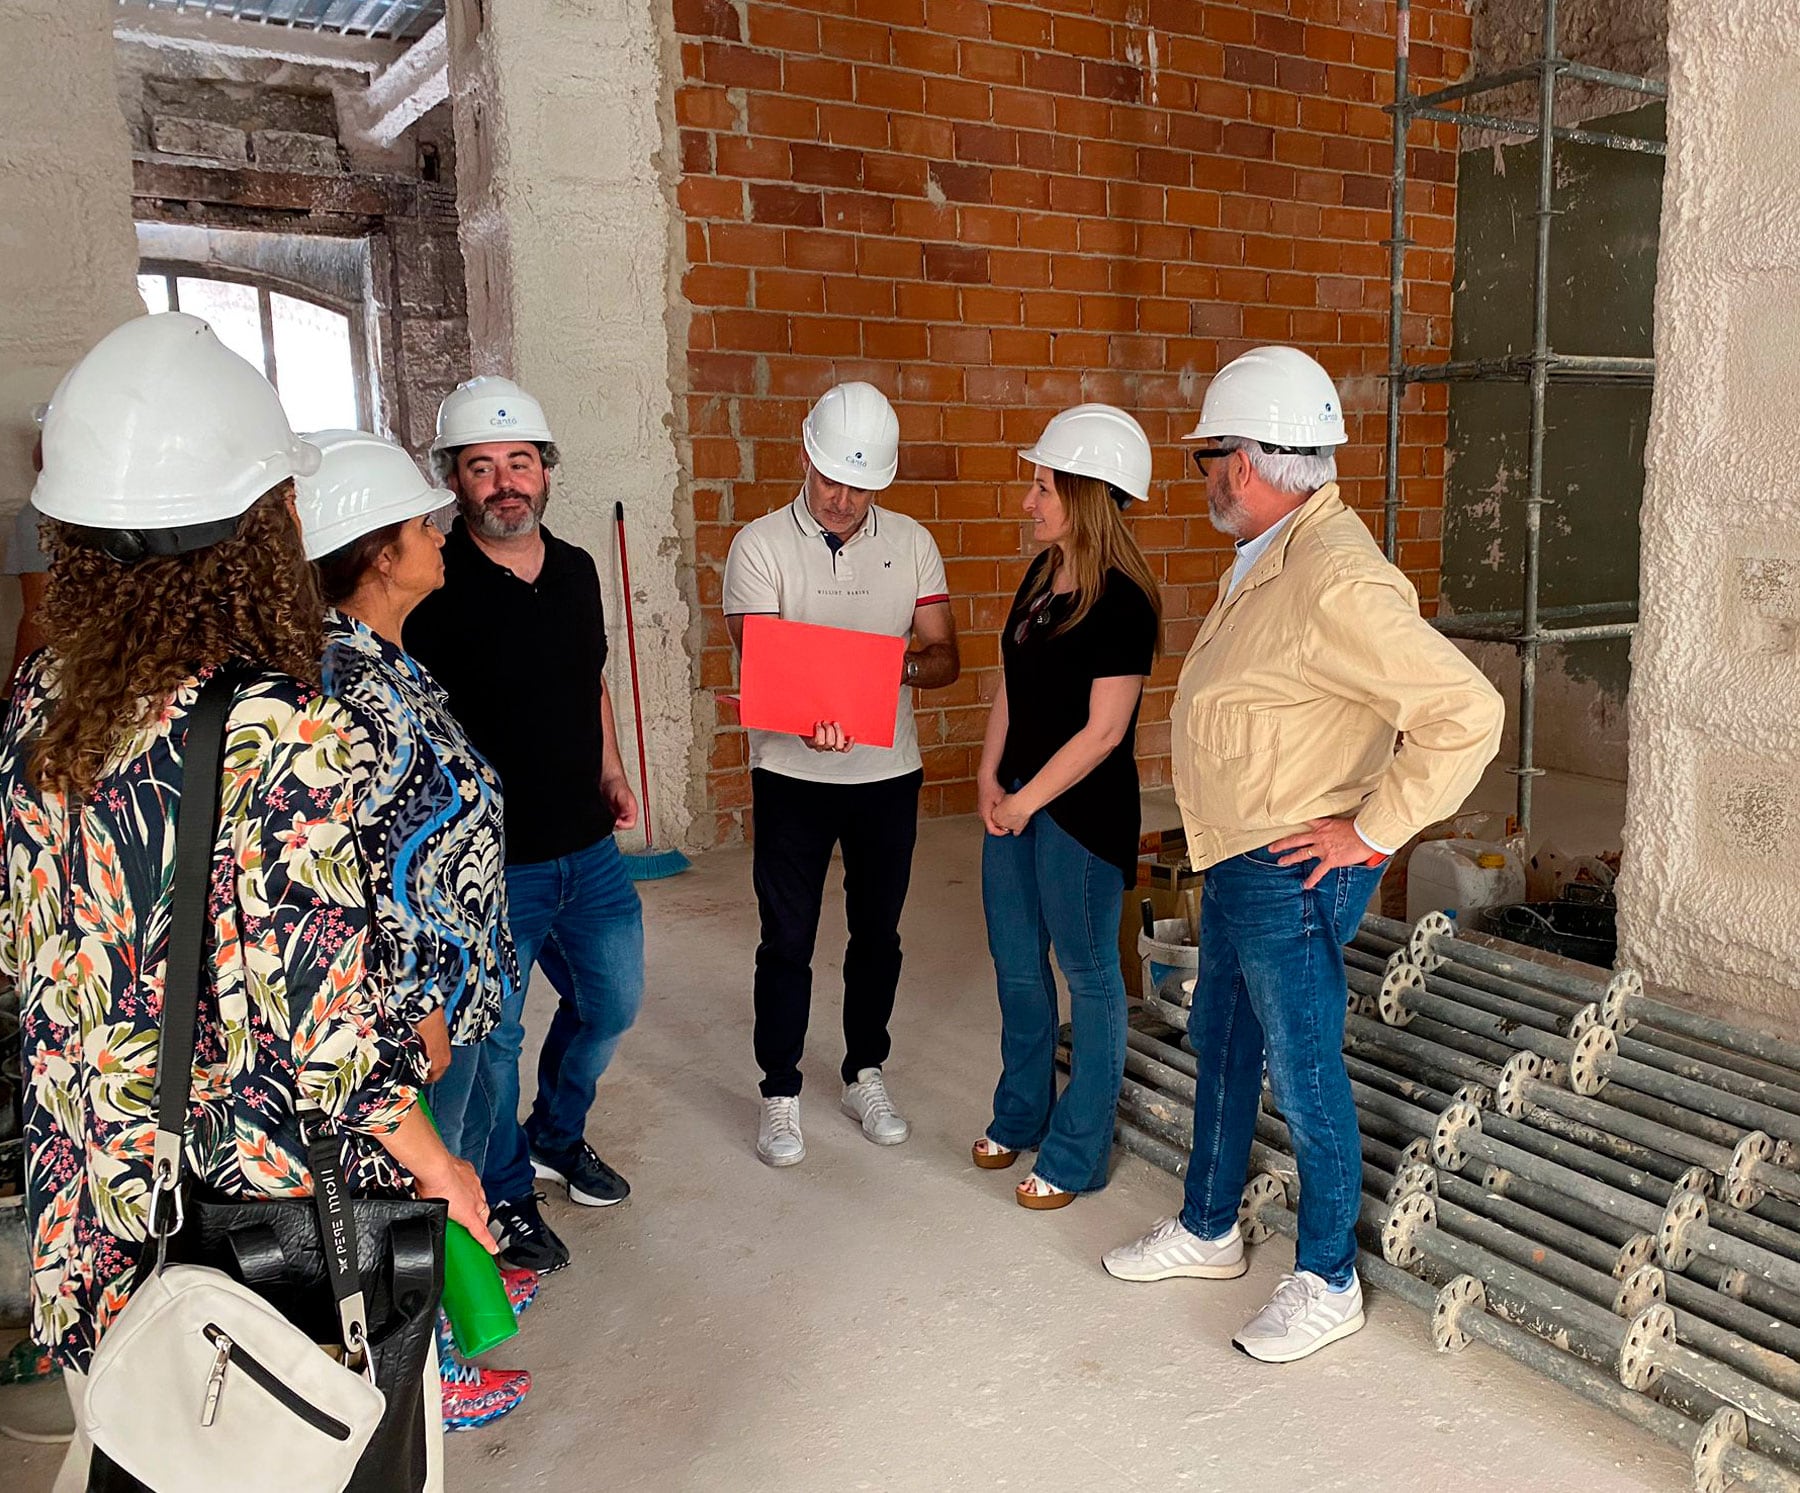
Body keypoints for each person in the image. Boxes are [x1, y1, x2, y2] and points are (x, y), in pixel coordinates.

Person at [0, 312, 493, 1489]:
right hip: (262, 1227)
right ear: (268, 524)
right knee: (303, 1448)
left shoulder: (40, 701)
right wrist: (441, 1167)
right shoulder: (285, 726)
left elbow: (33, 957)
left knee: (150, 1441)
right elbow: (329, 1047)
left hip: (98, 1208)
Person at [1103, 346, 1503, 1363]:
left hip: (1294, 866)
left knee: (1303, 1062)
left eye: (1210, 457)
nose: (1204, 477)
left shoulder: (1335, 576)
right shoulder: (1279, 553)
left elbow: (1466, 712)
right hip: (1244, 852)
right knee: (1228, 1043)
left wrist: (1370, 830)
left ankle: (1328, 1275)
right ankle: (1208, 1226)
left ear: (1248, 460)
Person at [298, 429, 533, 1431]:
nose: (443, 529)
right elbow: (370, 873)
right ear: (380, 555)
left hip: (464, 968)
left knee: (461, 1161)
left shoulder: (391, 662)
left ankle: (466, 1294)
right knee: (412, 1184)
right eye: (421, 523)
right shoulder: (351, 687)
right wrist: (418, 1004)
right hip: (422, 996)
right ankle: (434, 1374)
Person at [406, 376, 643, 1274]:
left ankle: (557, 1132)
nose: (505, 481)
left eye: (519, 462)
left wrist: (611, 768)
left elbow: (589, 680)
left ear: (544, 471)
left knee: (612, 999)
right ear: (456, 481)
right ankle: (504, 1190)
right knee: (494, 1036)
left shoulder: (577, 568)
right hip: (488, 867)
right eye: (481, 467)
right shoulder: (433, 582)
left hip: (587, 843)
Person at [721, 381, 960, 1167]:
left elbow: (944, 656)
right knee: (786, 935)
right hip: (790, 772)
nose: (842, 497)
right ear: (805, 456)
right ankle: (780, 1090)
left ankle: (865, 1071)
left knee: (878, 934)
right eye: (831, 478)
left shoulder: (913, 543)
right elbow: (759, 658)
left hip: (887, 773)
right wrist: (811, 710)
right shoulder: (758, 546)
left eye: (860, 484)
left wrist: (868, 683)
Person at [973, 405, 1160, 1210]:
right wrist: (989, 778)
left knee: (1089, 976)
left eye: (1042, 485)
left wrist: (1024, 802)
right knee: (1017, 963)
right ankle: (1021, 1113)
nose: (1029, 500)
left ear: (1084, 493)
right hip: (1015, 800)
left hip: (1079, 816)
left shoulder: (1123, 600)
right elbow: (1011, 685)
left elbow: (1104, 732)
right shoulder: (1042, 574)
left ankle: (1079, 1151)